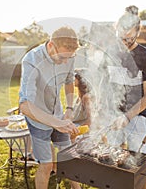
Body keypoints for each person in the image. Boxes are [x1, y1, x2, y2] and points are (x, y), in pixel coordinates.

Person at [19, 26, 81, 189]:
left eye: (70, 58)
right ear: (51, 45)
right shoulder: (31, 60)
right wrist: (56, 123)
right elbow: (25, 105)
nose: (66, 62)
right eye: (62, 58)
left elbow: (69, 81)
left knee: (68, 158)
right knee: (46, 165)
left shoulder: (69, 56)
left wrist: (69, 108)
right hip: (38, 120)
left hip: (59, 114)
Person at [110, 5, 146, 188]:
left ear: (138, 32)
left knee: (138, 168)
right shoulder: (111, 53)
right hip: (113, 114)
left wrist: (127, 116)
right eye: (121, 37)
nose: (124, 42)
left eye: (129, 38)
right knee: (113, 163)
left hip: (137, 116)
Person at [70, 68, 93, 141]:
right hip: (73, 128)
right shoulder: (78, 96)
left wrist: (75, 133)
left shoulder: (86, 98)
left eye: (75, 77)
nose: (73, 79)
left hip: (80, 133)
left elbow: (90, 121)